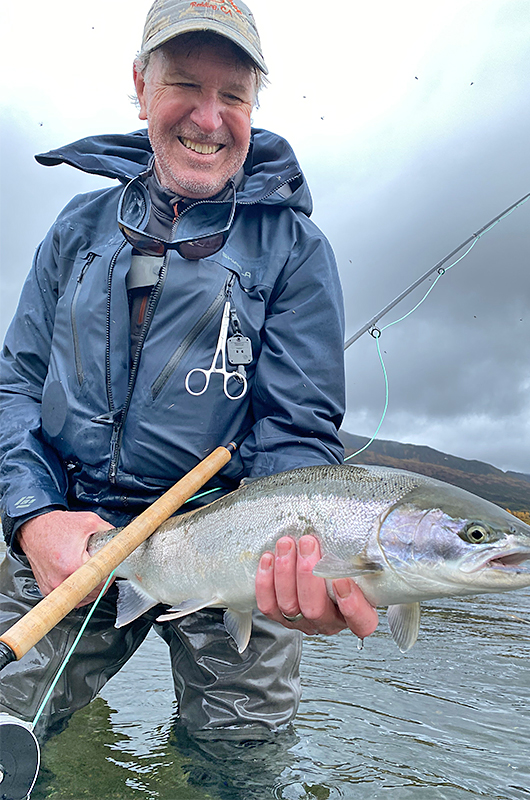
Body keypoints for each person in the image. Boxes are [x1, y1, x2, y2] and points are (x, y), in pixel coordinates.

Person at [0, 0, 377, 743]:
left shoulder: (297, 250)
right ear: (139, 87)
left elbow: (297, 431)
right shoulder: (74, 229)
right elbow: (15, 388)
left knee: (241, 765)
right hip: (71, 536)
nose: (209, 118)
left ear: (253, 106)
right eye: (184, 86)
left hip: (231, 548)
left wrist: (301, 550)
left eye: (233, 95)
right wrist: (31, 517)